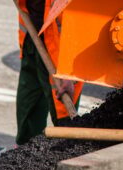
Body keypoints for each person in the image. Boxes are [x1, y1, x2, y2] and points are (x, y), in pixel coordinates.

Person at [14, 0, 82, 145]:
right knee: (29, 109)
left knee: (65, 123)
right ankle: (26, 154)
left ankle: (66, 158)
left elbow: (84, 24)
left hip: (62, 60)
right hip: (32, 39)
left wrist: (70, 73)